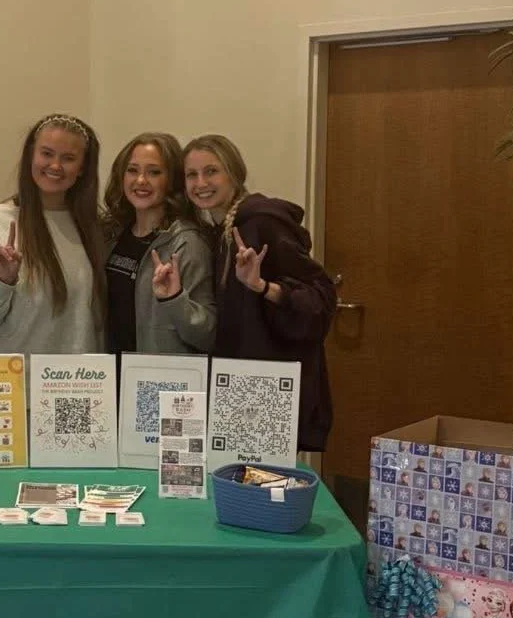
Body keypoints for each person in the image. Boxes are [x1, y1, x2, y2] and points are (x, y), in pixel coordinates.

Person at [183, 134, 337, 451]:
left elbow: (318, 298)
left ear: (234, 174)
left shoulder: (261, 223)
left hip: (268, 389)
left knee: (263, 489)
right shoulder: (220, 230)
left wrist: (263, 287)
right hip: (237, 386)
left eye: (211, 171)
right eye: (191, 174)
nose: (201, 183)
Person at [0, 113, 104, 355]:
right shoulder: (1, 221)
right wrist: (2, 281)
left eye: (68, 158)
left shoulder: (91, 228)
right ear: (31, 155)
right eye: (47, 154)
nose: (55, 166)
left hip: (73, 385)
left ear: (82, 169)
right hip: (12, 384)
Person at [101, 132, 214, 355]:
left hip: (157, 380)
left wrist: (174, 300)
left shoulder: (187, 243)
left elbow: (207, 335)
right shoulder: (111, 236)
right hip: (108, 378)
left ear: (172, 180)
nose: (141, 180)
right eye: (132, 170)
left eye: (154, 172)